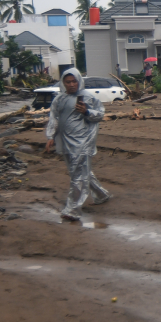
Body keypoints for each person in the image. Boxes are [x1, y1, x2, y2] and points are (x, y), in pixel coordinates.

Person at [44, 68, 111, 221]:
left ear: (79, 80)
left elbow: (100, 114)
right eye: (68, 82)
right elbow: (54, 118)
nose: (72, 84)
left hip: (83, 141)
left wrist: (87, 112)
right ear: (63, 83)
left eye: (74, 81)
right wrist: (51, 136)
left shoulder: (88, 98)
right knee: (80, 171)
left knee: (77, 175)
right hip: (66, 141)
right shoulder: (59, 99)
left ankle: (72, 209)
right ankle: (101, 194)